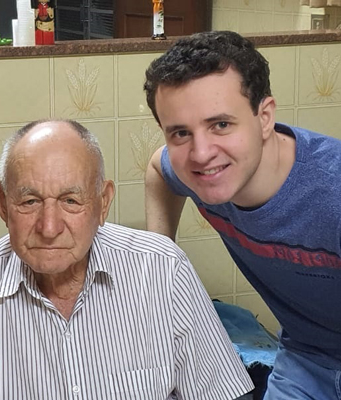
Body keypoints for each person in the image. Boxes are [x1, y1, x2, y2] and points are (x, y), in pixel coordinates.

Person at [0, 119, 253, 399]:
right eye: (29, 201)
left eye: (71, 201)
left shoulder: (163, 268)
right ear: (2, 202)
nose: (49, 227)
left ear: (103, 202)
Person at [144, 30, 341, 399]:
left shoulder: (333, 193)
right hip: (305, 359)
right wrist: (160, 262)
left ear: (264, 117)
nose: (201, 153)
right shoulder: (199, 171)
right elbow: (158, 168)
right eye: (181, 133)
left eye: (221, 125)